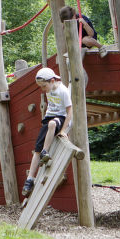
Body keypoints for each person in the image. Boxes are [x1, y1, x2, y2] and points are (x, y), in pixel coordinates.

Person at [21, 66, 72, 198]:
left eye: (44, 86)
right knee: (36, 150)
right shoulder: (49, 89)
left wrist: (64, 130)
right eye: (41, 87)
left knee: (52, 124)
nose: (43, 89)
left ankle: (45, 151)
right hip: (49, 117)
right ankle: (30, 179)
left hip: (60, 118)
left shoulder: (63, 91)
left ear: (52, 81)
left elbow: (70, 111)